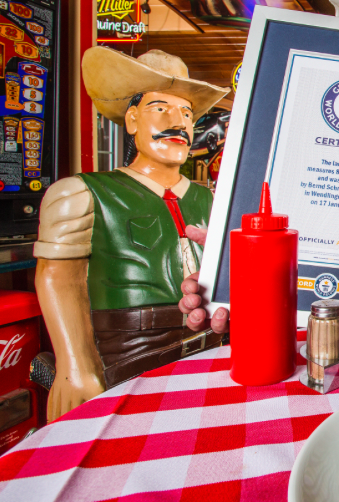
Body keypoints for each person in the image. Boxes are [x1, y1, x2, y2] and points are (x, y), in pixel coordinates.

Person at [34, 47, 230, 419]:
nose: (179, 121)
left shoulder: (212, 199)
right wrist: (75, 367)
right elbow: (60, 278)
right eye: (162, 109)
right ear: (132, 119)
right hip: (129, 356)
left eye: (187, 113)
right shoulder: (81, 193)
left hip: (212, 350)